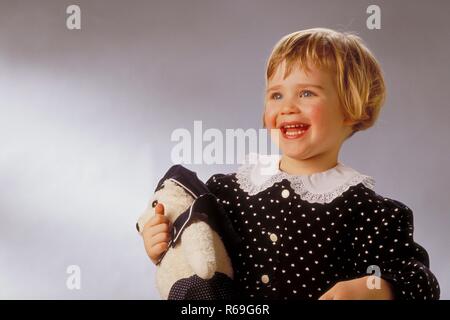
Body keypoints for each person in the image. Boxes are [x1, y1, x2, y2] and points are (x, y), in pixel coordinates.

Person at [141, 28, 440, 300]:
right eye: (276, 95)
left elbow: (420, 282)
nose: (287, 107)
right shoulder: (227, 191)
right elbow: (198, 248)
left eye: (306, 93)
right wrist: (161, 242)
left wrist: (375, 288)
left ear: (352, 108)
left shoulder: (371, 213)